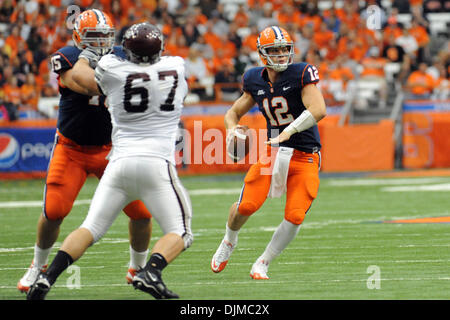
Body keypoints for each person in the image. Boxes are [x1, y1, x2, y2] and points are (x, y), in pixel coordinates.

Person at [27, 22, 193, 300]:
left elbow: (81, 76)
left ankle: (47, 276)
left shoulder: (114, 71)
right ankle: (151, 271)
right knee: (182, 231)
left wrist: (87, 54)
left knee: (90, 228)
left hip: (118, 163)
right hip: (155, 164)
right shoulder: (176, 66)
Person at [17, 9, 152, 294]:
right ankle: (38, 265)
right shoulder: (67, 55)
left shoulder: (122, 54)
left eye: (105, 35)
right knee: (54, 211)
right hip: (72, 149)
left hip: (112, 151)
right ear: (79, 37)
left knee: (141, 213)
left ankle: (137, 269)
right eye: (94, 36)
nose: (101, 41)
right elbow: (81, 80)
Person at [211, 26, 326, 280]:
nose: (282, 54)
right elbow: (232, 113)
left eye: (285, 49)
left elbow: (318, 109)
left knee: (295, 215)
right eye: (275, 50)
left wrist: (289, 131)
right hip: (273, 153)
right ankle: (229, 241)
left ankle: (263, 262)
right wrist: (231, 130)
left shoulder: (301, 73)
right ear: (263, 54)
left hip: (305, 153)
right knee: (247, 205)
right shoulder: (254, 78)